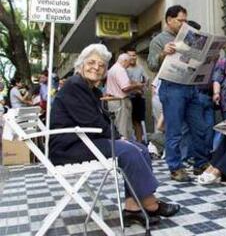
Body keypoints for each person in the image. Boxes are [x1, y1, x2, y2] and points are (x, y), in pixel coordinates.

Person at [49, 44, 180, 226]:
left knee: (140, 148)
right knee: (129, 151)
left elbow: (100, 119)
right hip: (69, 147)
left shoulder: (90, 88)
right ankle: (150, 204)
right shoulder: (74, 85)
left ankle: (132, 207)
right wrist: (118, 138)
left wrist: (119, 137)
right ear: (80, 64)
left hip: (85, 140)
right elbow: (91, 120)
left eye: (101, 65)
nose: (96, 67)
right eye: (91, 62)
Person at [147, 5, 210, 182]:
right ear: (169, 20)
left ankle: (201, 163)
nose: (183, 24)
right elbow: (151, 65)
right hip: (172, 88)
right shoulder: (158, 40)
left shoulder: (190, 36)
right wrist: (162, 54)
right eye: (180, 21)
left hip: (191, 86)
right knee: (174, 131)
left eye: (185, 20)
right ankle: (175, 167)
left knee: (200, 128)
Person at [198, 38, 226, 185]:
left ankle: (218, 168)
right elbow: (217, 78)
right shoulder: (224, 62)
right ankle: (217, 167)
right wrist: (216, 93)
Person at [106, 53, 144, 140]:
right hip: (120, 101)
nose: (129, 65)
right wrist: (138, 85)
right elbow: (125, 87)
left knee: (118, 126)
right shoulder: (120, 70)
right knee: (123, 128)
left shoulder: (113, 69)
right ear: (125, 61)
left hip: (114, 101)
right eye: (129, 62)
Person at [126, 48, 148, 142]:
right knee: (127, 122)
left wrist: (142, 87)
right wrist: (137, 85)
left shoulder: (140, 68)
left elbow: (146, 80)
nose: (132, 57)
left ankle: (139, 143)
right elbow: (126, 83)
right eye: (130, 55)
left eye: (134, 55)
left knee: (137, 121)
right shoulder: (124, 68)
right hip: (128, 98)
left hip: (139, 98)